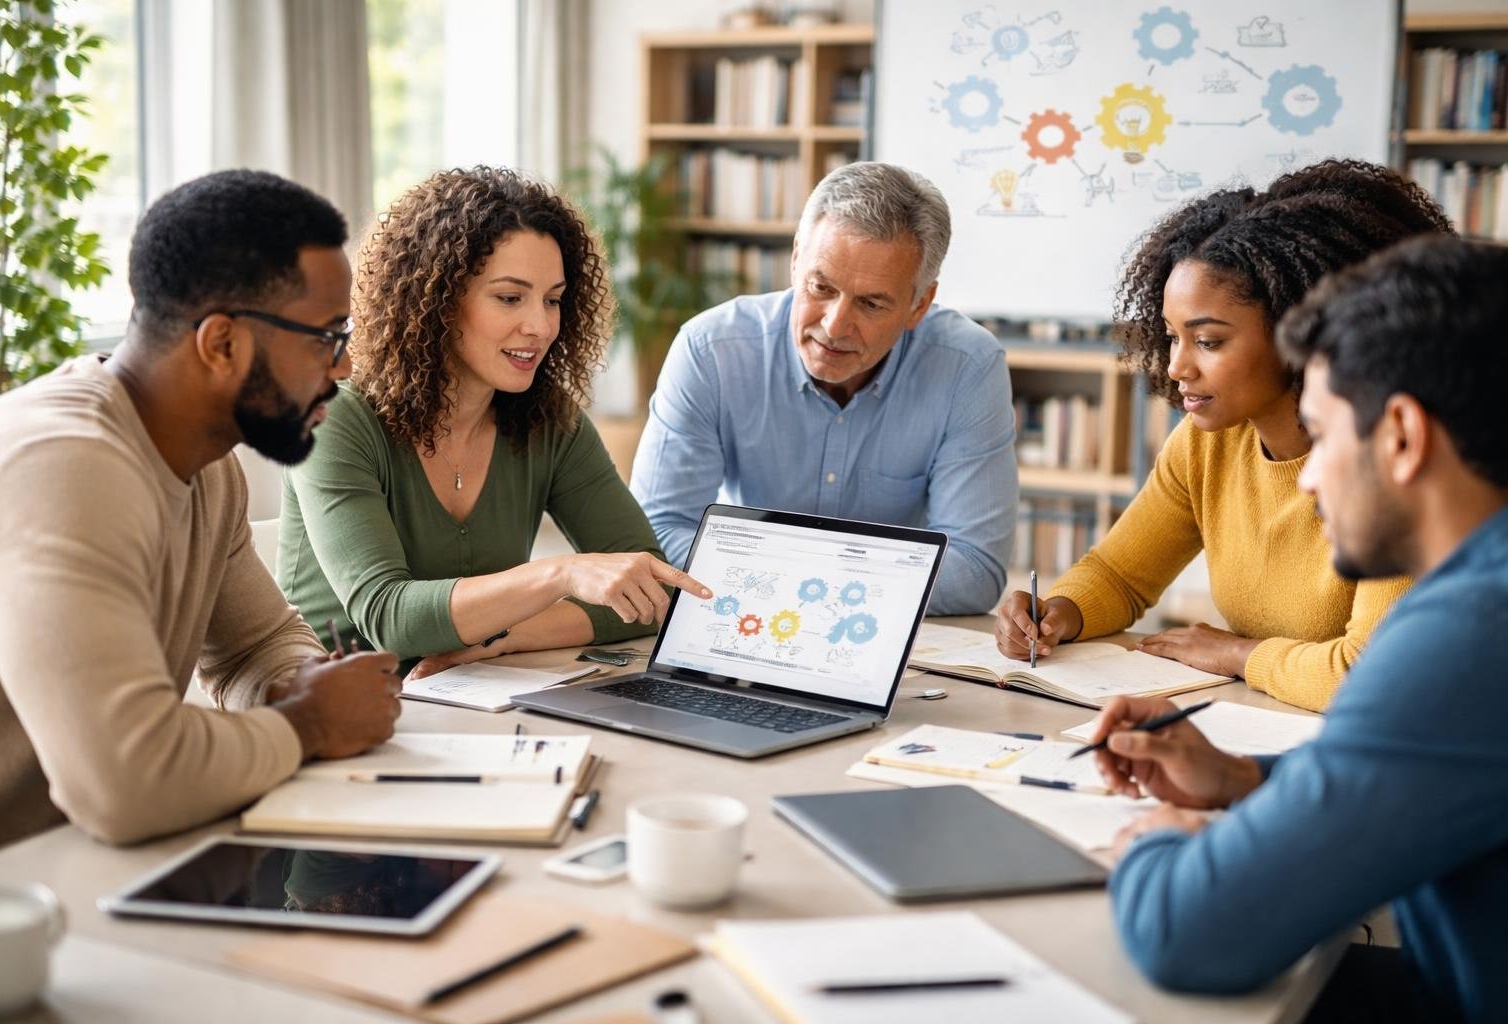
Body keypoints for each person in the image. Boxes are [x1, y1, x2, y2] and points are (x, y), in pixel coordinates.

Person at [1096, 236, 1508, 1023]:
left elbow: (1188, 931)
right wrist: (1248, 780)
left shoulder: (1468, 638)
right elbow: (1429, 777)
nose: (1307, 475)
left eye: (1322, 434)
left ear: (1401, 436)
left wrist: (1150, 844)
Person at [0, 170, 402, 856]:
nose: (345, 366)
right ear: (222, 344)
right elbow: (124, 781)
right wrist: (311, 724)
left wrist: (302, 682)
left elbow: (255, 648)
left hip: (62, 875)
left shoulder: (209, 465)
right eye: (326, 336)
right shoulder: (62, 464)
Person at [994, 160, 1453, 711]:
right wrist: (1058, 613)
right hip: (1264, 720)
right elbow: (1120, 572)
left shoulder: (1394, 462)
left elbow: (1365, 675)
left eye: (1208, 341)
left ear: (1301, 332)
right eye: (1170, 337)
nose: (1176, 367)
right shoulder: (1207, 442)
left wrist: (1239, 655)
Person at [277, 167, 710, 677]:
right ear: (434, 300)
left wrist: (502, 637)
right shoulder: (333, 416)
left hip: (470, 693)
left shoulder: (551, 421)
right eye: (510, 297)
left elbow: (652, 589)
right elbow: (388, 617)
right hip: (330, 709)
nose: (542, 326)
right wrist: (561, 574)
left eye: (553, 299)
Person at [629, 161, 1018, 616]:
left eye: (871, 303)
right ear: (796, 260)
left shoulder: (967, 368)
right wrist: (852, 574)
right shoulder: (712, 349)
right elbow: (658, 532)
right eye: (821, 287)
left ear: (919, 305)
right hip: (744, 619)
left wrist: (775, 569)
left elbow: (974, 569)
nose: (834, 325)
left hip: (883, 640)